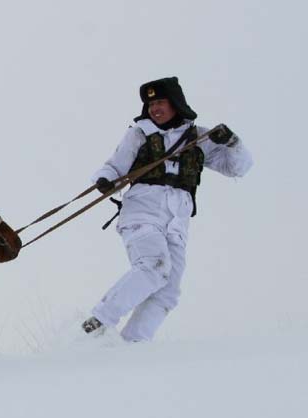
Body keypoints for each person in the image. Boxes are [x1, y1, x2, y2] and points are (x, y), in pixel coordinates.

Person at [82, 77, 253, 342]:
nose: (155, 109)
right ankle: (97, 323)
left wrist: (232, 142)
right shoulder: (139, 134)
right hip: (142, 212)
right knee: (153, 266)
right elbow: (114, 166)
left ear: (176, 103)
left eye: (160, 102)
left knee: (168, 290)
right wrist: (105, 180)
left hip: (176, 223)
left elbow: (237, 168)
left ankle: (132, 345)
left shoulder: (199, 138)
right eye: (151, 104)